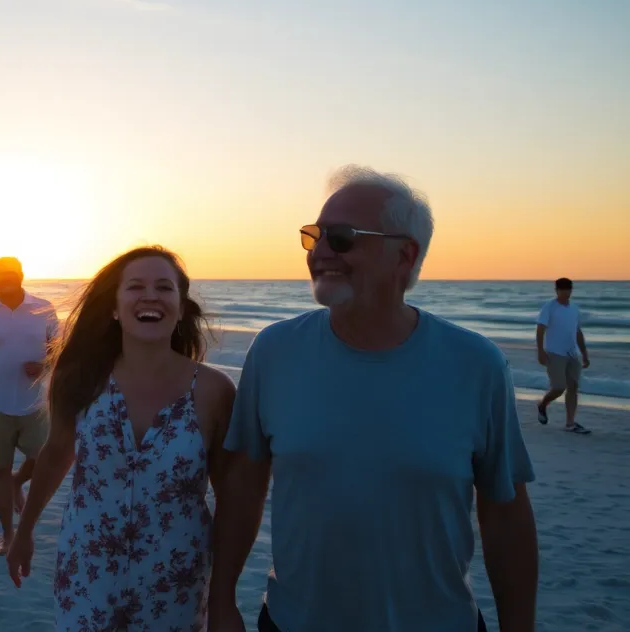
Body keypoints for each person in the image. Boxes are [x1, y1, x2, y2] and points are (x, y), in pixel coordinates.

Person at [215, 166, 538, 632]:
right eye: (314, 237)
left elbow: (505, 512)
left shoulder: (477, 365)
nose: (319, 252)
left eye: (342, 238)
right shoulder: (274, 351)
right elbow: (245, 484)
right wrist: (222, 599)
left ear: (405, 255)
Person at [5, 247, 235, 629]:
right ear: (114, 307)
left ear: (180, 308)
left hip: (175, 581)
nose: (150, 296)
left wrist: (224, 593)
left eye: (164, 287)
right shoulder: (80, 378)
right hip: (88, 571)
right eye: (135, 287)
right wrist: (24, 531)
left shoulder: (214, 391)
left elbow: (231, 499)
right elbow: (56, 453)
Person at [0, 257, 59, 554]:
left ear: (21, 276)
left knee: (42, 460)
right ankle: (8, 534)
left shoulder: (43, 308)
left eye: (9, 274)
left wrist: (45, 365)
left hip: (36, 403)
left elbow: (60, 349)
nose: (3, 279)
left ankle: (18, 482)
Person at [535, 277, 592, 434]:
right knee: (559, 387)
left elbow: (577, 331)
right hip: (555, 353)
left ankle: (570, 423)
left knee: (573, 387)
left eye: (568, 289)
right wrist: (540, 351)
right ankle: (542, 404)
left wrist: (584, 353)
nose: (566, 293)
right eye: (562, 290)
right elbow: (540, 330)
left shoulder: (574, 309)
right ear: (557, 291)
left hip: (572, 353)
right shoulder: (550, 307)